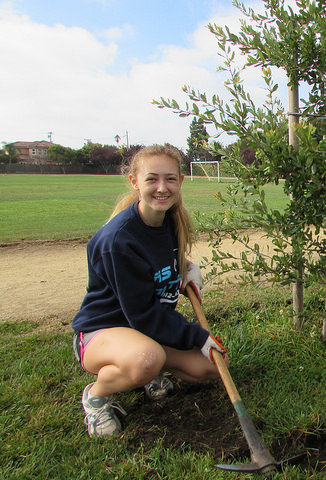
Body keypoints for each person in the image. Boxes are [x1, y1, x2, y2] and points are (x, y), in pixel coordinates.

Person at [72, 144, 228, 437]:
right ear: (134, 182)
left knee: (214, 365)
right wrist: (197, 335)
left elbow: (155, 263)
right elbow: (143, 313)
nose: (162, 187)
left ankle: (148, 365)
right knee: (147, 359)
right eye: (151, 179)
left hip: (144, 332)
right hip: (102, 332)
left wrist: (185, 267)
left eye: (170, 179)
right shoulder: (118, 241)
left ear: (180, 181)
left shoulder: (169, 219)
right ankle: (96, 396)